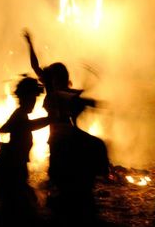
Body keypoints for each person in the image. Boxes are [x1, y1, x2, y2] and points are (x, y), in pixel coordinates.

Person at [24, 30, 110, 225]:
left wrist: (93, 102)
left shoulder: (68, 92)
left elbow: (84, 101)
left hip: (68, 134)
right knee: (59, 171)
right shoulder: (54, 91)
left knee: (90, 151)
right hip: (56, 137)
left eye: (55, 77)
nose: (51, 80)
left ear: (61, 78)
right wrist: (30, 43)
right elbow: (35, 66)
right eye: (51, 78)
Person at [0, 76, 49, 226]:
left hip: (14, 167)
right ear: (23, 98)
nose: (34, 102)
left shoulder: (20, 115)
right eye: (31, 98)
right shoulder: (19, 116)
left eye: (35, 99)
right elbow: (26, 126)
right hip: (11, 168)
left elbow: (14, 127)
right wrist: (50, 119)